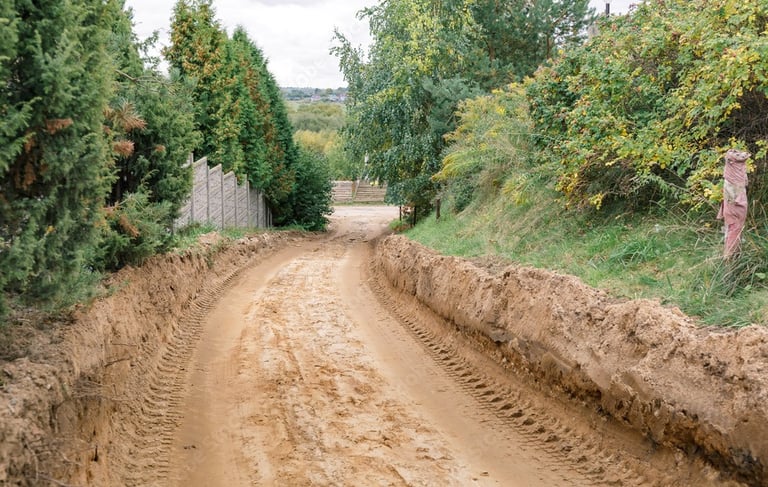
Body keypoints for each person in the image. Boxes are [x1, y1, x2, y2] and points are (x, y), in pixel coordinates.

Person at [717, 149, 751, 258]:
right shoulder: (732, 176)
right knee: (734, 228)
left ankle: (733, 255)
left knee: (733, 228)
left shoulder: (733, 174)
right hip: (734, 209)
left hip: (733, 206)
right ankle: (729, 258)